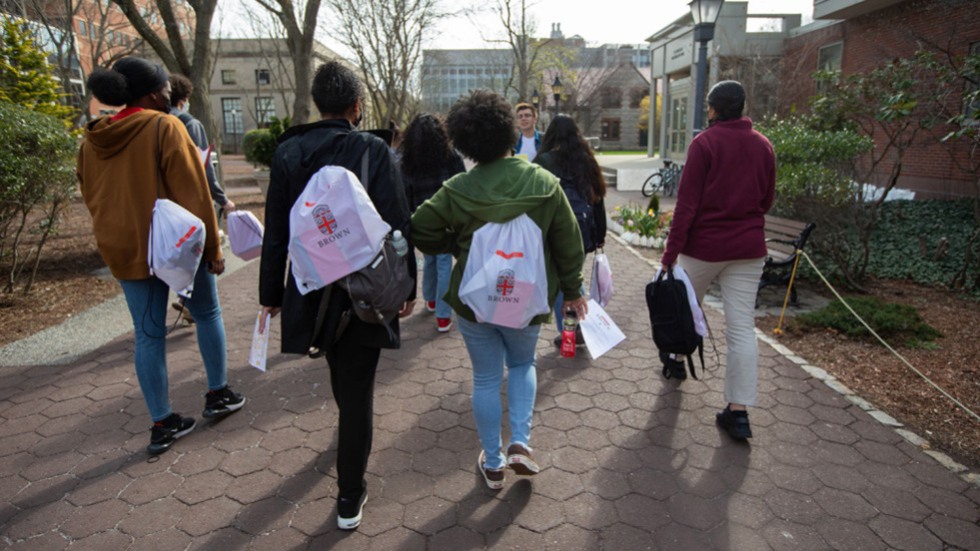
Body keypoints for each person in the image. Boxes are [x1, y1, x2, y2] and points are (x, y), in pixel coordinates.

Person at [258, 60, 417, 531]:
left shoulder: (289, 153)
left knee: (339, 369)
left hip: (310, 288)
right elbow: (398, 226)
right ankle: (351, 497)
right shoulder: (373, 149)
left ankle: (346, 444)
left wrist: (271, 294)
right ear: (356, 106)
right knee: (358, 387)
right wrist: (407, 286)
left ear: (317, 105)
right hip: (365, 291)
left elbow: (276, 233)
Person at [411, 90, 586, 490]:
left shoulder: (458, 188)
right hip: (526, 298)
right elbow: (568, 241)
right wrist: (573, 290)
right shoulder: (543, 182)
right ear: (509, 130)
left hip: (475, 302)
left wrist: (457, 248)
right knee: (523, 365)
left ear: (466, 143)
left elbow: (420, 227)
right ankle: (520, 443)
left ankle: (492, 463)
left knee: (486, 378)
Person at [77, 57, 246, 456]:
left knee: (147, 335)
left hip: (125, 248)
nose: (171, 93)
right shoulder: (164, 126)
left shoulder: (92, 140)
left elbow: (90, 195)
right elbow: (194, 191)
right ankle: (218, 393)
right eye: (165, 88)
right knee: (207, 314)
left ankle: (162, 421)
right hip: (175, 248)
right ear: (154, 93)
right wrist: (213, 248)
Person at [659, 80, 776, 440]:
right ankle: (738, 412)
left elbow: (687, 206)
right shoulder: (763, 145)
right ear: (741, 107)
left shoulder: (704, 144)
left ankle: (676, 362)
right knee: (741, 328)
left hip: (704, 248)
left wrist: (670, 253)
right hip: (748, 249)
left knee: (682, 308)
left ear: (711, 108)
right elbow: (767, 198)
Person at [168, 73, 235, 325]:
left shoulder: (152, 124)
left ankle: (185, 298)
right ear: (184, 99)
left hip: (163, 209)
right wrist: (223, 199)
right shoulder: (189, 124)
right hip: (191, 205)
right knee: (200, 256)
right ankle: (189, 301)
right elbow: (203, 171)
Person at [534, 114, 607, 345]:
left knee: (562, 283)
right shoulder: (586, 159)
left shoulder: (544, 161)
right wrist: (600, 234)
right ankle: (578, 328)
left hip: (555, 231)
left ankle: (570, 331)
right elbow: (598, 198)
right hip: (583, 231)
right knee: (574, 278)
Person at [399, 113, 466, 333]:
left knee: (429, 257)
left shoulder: (407, 160)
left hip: (420, 219)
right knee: (444, 261)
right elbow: (461, 182)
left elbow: (405, 193)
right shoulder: (450, 156)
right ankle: (443, 315)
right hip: (446, 219)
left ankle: (431, 299)